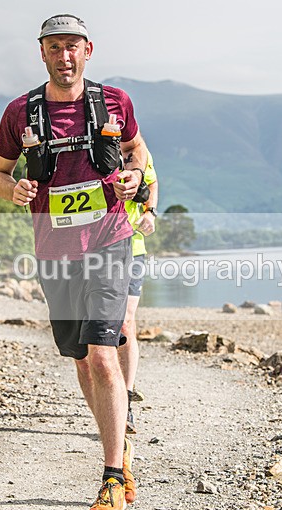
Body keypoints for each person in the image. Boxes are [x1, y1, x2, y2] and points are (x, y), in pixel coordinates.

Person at [0, 15, 147, 510]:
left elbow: (136, 154)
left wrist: (134, 178)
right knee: (81, 361)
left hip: (110, 241)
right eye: (54, 48)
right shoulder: (21, 113)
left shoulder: (114, 102)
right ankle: (119, 449)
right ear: (42, 54)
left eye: (72, 47)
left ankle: (112, 478)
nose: (64, 56)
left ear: (88, 50)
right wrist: (10, 190)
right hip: (55, 252)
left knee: (103, 354)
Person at [120, 152, 159, 435]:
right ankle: (104, 382)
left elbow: (153, 183)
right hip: (90, 246)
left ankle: (126, 398)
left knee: (125, 321)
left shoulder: (139, 150)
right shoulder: (86, 139)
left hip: (131, 245)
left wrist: (150, 212)